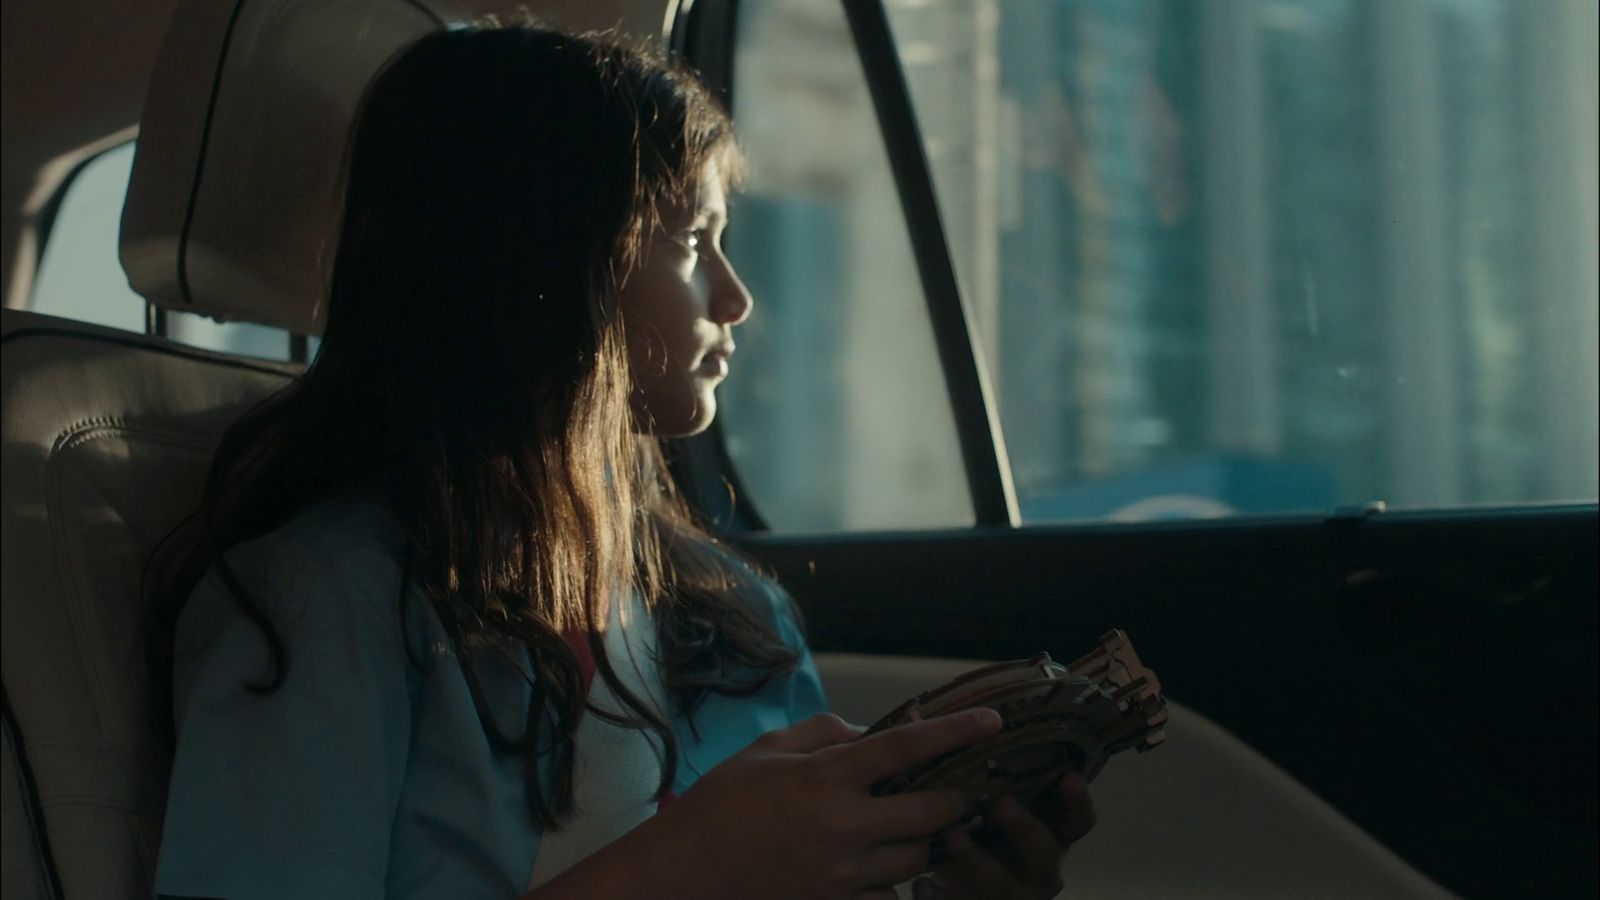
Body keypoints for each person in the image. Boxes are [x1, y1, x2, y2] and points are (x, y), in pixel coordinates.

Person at [142, 21, 1094, 900]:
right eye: (690, 241)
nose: (735, 298)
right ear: (545, 266)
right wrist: (686, 866)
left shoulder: (732, 612)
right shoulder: (328, 606)